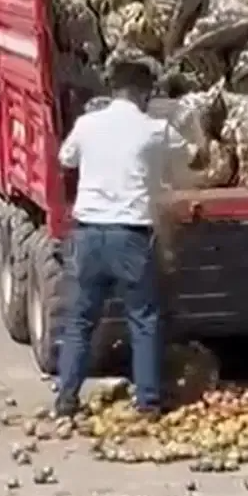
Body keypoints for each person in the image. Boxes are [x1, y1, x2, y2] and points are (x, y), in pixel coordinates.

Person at [52, 57, 197, 418]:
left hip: (88, 237)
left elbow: (65, 159)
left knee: (81, 321)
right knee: (144, 320)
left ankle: (66, 399)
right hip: (130, 238)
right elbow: (193, 156)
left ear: (113, 89)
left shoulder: (87, 124)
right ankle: (147, 402)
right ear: (143, 92)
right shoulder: (155, 129)